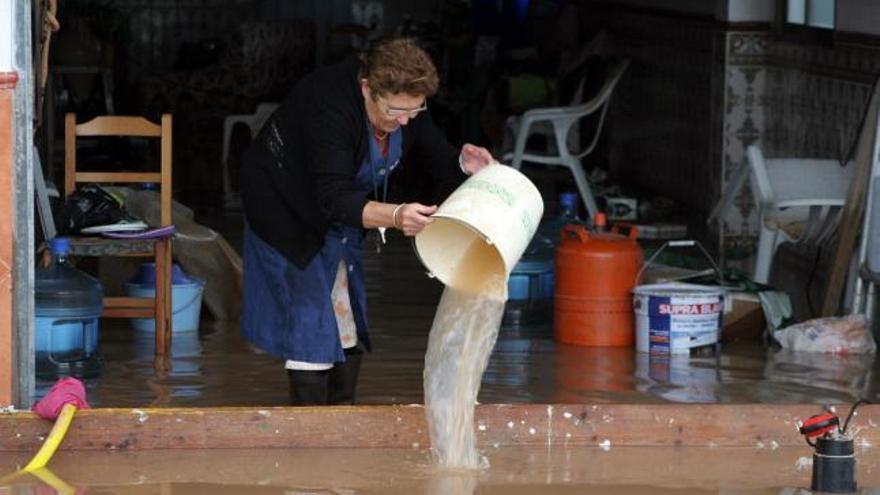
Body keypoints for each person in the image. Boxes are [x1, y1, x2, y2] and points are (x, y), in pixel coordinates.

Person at [239, 37, 496, 406]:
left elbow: (434, 152)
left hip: (337, 211)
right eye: (395, 111)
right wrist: (394, 215)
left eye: (415, 110)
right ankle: (308, 437)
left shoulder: (403, 104)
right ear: (367, 89)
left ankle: (341, 421)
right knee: (310, 321)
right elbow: (333, 198)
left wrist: (463, 164)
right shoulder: (329, 104)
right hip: (285, 205)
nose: (405, 120)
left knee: (345, 317)